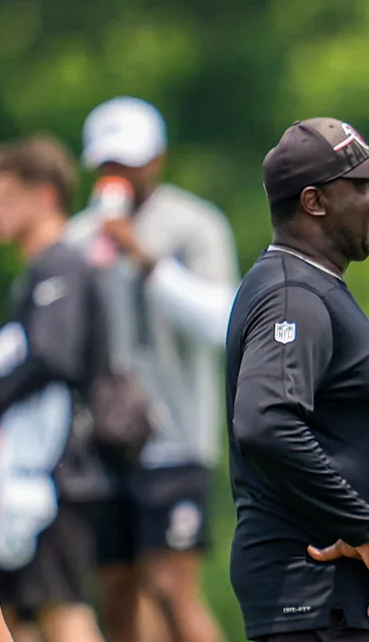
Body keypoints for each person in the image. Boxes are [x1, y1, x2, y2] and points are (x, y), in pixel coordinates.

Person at [225, 118, 369, 642]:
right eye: (363, 185)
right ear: (314, 202)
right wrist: (360, 524)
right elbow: (265, 421)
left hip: (344, 606)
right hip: (324, 602)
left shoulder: (309, 287)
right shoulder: (293, 295)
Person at [65, 96, 238, 642]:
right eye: (108, 165)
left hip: (177, 436)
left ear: (156, 160)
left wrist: (144, 260)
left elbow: (221, 322)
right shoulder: (76, 239)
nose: (118, 175)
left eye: (128, 162)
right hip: (101, 442)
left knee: (168, 586)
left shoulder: (194, 224)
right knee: (116, 591)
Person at [0, 136, 108, 642]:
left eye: (4, 198)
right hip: (31, 474)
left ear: (43, 196)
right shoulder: (40, 271)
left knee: (63, 608)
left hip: (59, 472)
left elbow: (53, 356)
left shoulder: (61, 265)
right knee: (21, 613)